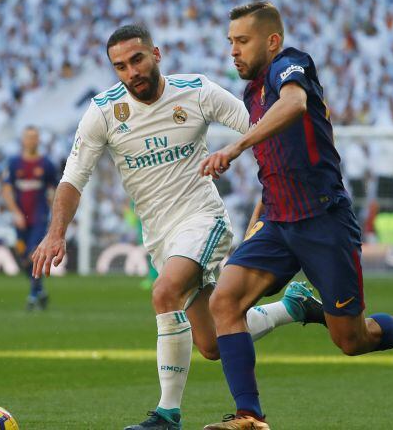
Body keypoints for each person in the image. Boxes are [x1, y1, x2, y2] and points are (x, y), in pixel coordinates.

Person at [30, 24, 325, 430]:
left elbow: (259, 128)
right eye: (120, 66)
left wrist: (277, 188)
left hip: (203, 220)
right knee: (211, 343)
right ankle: (294, 307)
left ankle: (167, 415)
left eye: (137, 59)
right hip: (161, 237)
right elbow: (72, 178)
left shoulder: (197, 91)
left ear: (156, 53)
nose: (131, 72)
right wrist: (55, 232)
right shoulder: (103, 111)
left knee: (164, 290)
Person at [198, 2, 393, 430]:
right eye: (230, 42)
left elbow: (294, 104)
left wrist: (234, 147)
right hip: (277, 222)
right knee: (224, 301)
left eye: (242, 41)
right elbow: (273, 163)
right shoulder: (251, 93)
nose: (233, 51)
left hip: (323, 221)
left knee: (351, 339)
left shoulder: (290, 64)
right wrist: (258, 219)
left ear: (271, 41)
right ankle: (249, 417)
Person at [2, 126, 59, 310]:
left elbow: (54, 190)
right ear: (23, 140)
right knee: (22, 256)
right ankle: (40, 290)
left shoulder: (46, 165)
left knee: (32, 254)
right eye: (29, 137)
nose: (32, 141)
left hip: (38, 217)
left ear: (38, 140)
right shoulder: (13, 163)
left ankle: (33, 295)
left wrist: (55, 214)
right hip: (20, 218)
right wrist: (15, 212)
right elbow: (6, 189)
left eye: (35, 137)